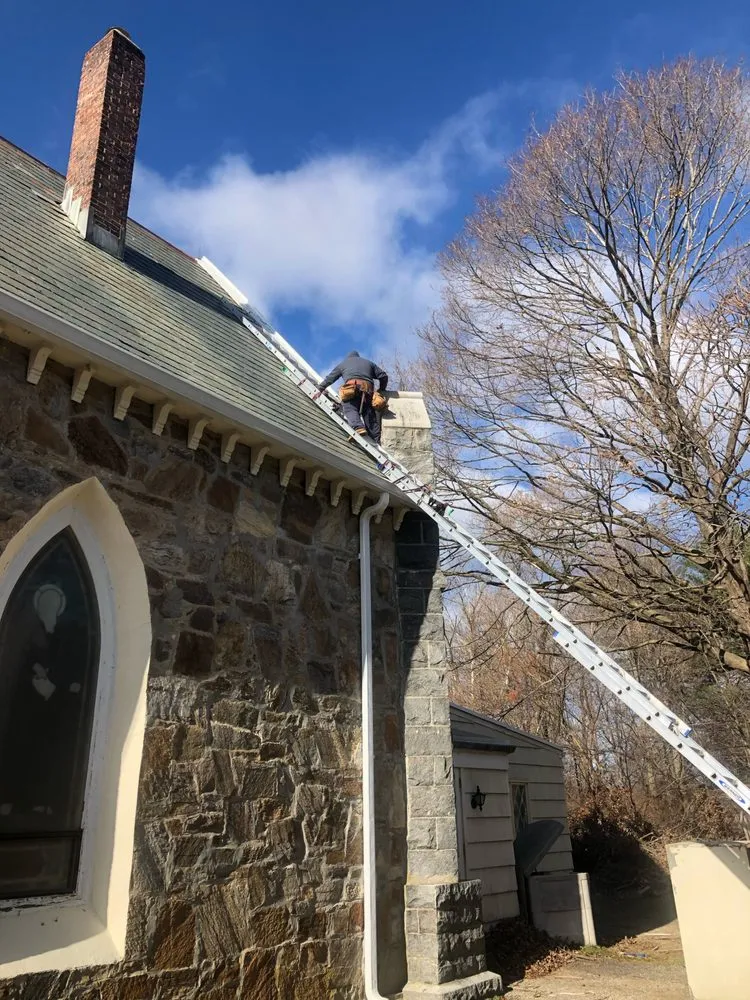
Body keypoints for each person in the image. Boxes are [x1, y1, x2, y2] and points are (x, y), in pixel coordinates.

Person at [313, 351, 389, 444]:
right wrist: (382, 390)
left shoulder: (343, 364)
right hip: (368, 392)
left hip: (352, 389)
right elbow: (383, 376)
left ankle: (358, 427)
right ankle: (376, 441)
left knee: (349, 408)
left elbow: (330, 378)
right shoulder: (369, 363)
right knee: (369, 415)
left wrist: (319, 389)